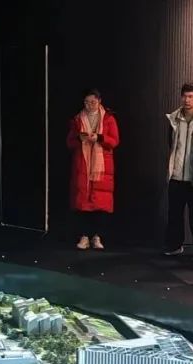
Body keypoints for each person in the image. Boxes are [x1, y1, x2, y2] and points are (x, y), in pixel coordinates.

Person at [67, 89, 120, 250]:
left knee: (100, 202)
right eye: (86, 102)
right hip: (83, 164)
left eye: (93, 102)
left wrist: (100, 138)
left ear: (99, 101)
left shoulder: (109, 118)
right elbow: (69, 142)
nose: (89, 105)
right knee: (83, 201)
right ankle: (84, 236)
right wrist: (80, 138)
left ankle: (97, 236)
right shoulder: (77, 119)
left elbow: (115, 140)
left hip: (102, 166)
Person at [164, 83, 193, 256]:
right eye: (184, 96)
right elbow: (171, 144)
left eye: (191, 96)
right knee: (174, 214)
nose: (187, 100)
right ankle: (174, 245)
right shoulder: (174, 118)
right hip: (177, 174)